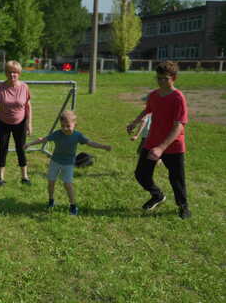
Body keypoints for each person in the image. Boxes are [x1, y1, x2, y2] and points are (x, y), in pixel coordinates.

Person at [126, 60, 191, 219]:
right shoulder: (154, 95)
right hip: (152, 141)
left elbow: (179, 126)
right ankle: (157, 195)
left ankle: (183, 206)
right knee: (141, 174)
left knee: (176, 178)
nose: (161, 81)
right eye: (159, 78)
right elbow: (148, 110)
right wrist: (134, 122)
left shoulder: (178, 97)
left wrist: (161, 148)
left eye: (165, 79)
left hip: (173, 145)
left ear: (173, 78)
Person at [24, 111, 111, 215]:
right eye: (62, 126)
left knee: (68, 184)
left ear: (75, 125)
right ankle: (51, 200)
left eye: (68, 126)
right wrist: (29, 144)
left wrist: (103, 146)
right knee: (51, 182)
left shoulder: (78, 136)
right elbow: (43, 139)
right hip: (55, 162)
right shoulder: (57, 134)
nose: (65, 128)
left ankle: (73, 205)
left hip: (68, 164)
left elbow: (90, 142)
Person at [0, 60, 33, 186]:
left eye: (15, 72)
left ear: (19, 73)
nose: (12, 75)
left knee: (21, 149)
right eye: (9, 72)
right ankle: (0, 178)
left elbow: (28, 107)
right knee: (3, 149)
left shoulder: (24, 87)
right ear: (6, 73)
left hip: (20, 123)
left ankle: (24, 177)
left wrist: (29, 124)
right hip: (3, 123)